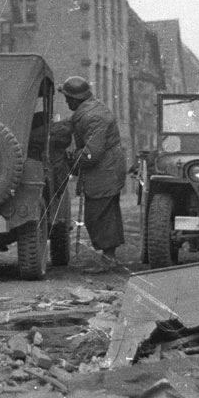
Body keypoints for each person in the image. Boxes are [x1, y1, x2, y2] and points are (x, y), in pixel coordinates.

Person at [59, 76, 126, 268]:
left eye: (67, 98)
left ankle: (109, 258)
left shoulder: (93, 116)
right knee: (103, 214)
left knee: (99, 215)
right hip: (106, 170)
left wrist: (71, 158)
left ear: (75, 99)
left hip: (105, 171)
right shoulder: (87, 110)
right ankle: (109, 257)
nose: (65, 101)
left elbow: (92, 153)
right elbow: (72, 123)